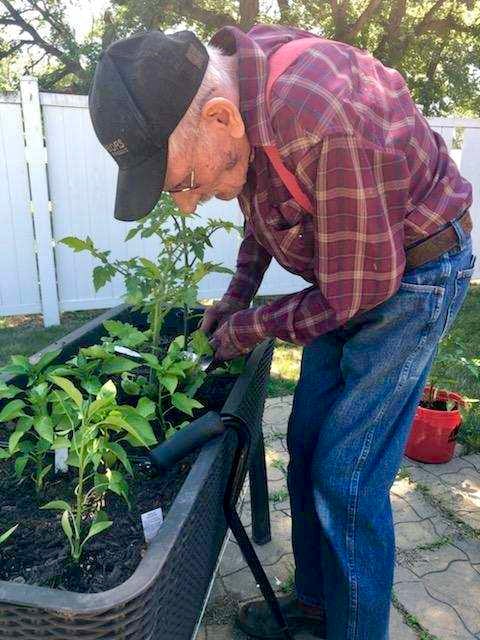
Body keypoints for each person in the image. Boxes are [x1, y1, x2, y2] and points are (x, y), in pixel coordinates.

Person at [88, 25, 474, 640]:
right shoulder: (244, 102)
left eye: (183, 184)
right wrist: (236, 297)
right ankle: (318, 606)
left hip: (413, 279)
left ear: (219, 120)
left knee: (346, 473)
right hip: (350, 271)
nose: (188, 205)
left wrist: (253, 326)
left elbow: (359, 293)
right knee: (305, 442)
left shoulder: (323, 113)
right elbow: (264, 213)